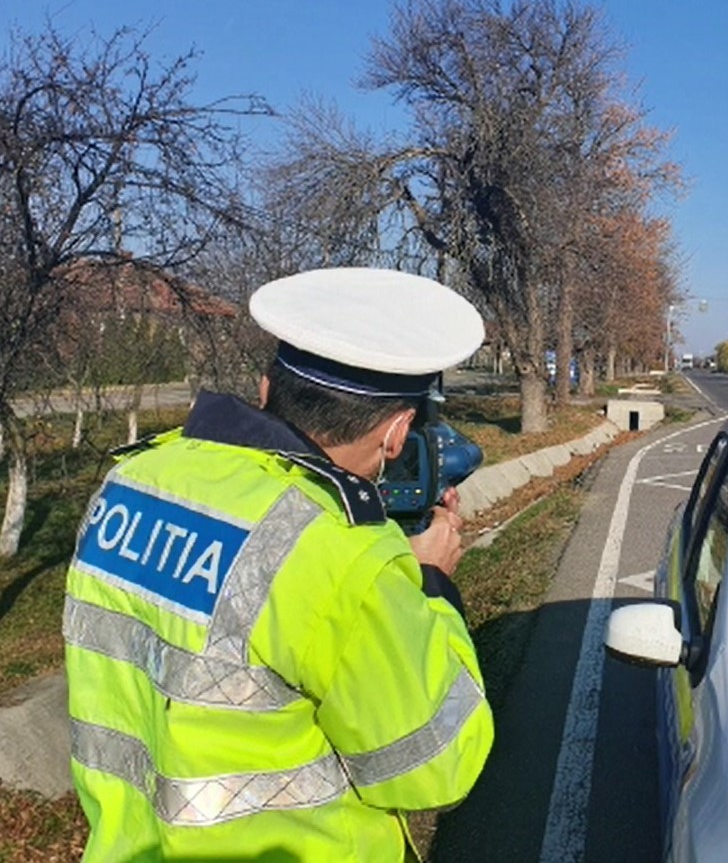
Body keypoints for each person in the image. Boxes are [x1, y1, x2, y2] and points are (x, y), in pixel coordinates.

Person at [62, 267, 494, 861]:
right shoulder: (339, 554)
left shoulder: (130, 482)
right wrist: (433, 585)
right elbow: (436, 767)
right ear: (397, 433)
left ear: (266, 389)